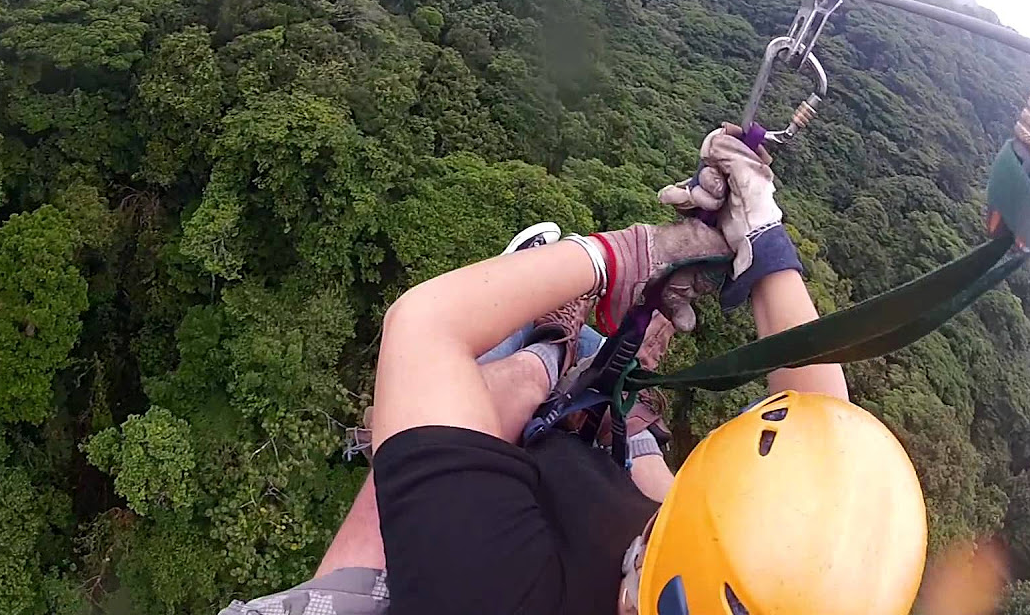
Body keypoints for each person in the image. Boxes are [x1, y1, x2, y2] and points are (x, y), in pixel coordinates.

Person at [220, 124, 928, 615]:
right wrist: (761, 240)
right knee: (634, 448)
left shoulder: (490, 591)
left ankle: (551, 350)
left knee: (471, 422)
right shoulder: (728, 578)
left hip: (460, 572)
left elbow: (423, 325)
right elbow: (826, 450)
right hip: (588, 527)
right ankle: (616, 409)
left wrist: (626, 256)